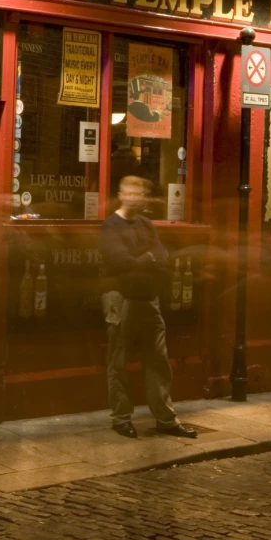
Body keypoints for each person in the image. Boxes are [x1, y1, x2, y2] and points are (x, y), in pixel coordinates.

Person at [98, 176, 197, 439]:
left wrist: (144, 260)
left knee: (158, 361)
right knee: (119, 362)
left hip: (148, 298)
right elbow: (121, 262)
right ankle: (121, 419)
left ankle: (166, 419)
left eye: (139, 193)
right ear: (120, 195)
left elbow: (162, 256)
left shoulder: (146, 224)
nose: (135, 198)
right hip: (121, 299)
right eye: (129, 193)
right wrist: (146, 259)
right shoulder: (111, 226)